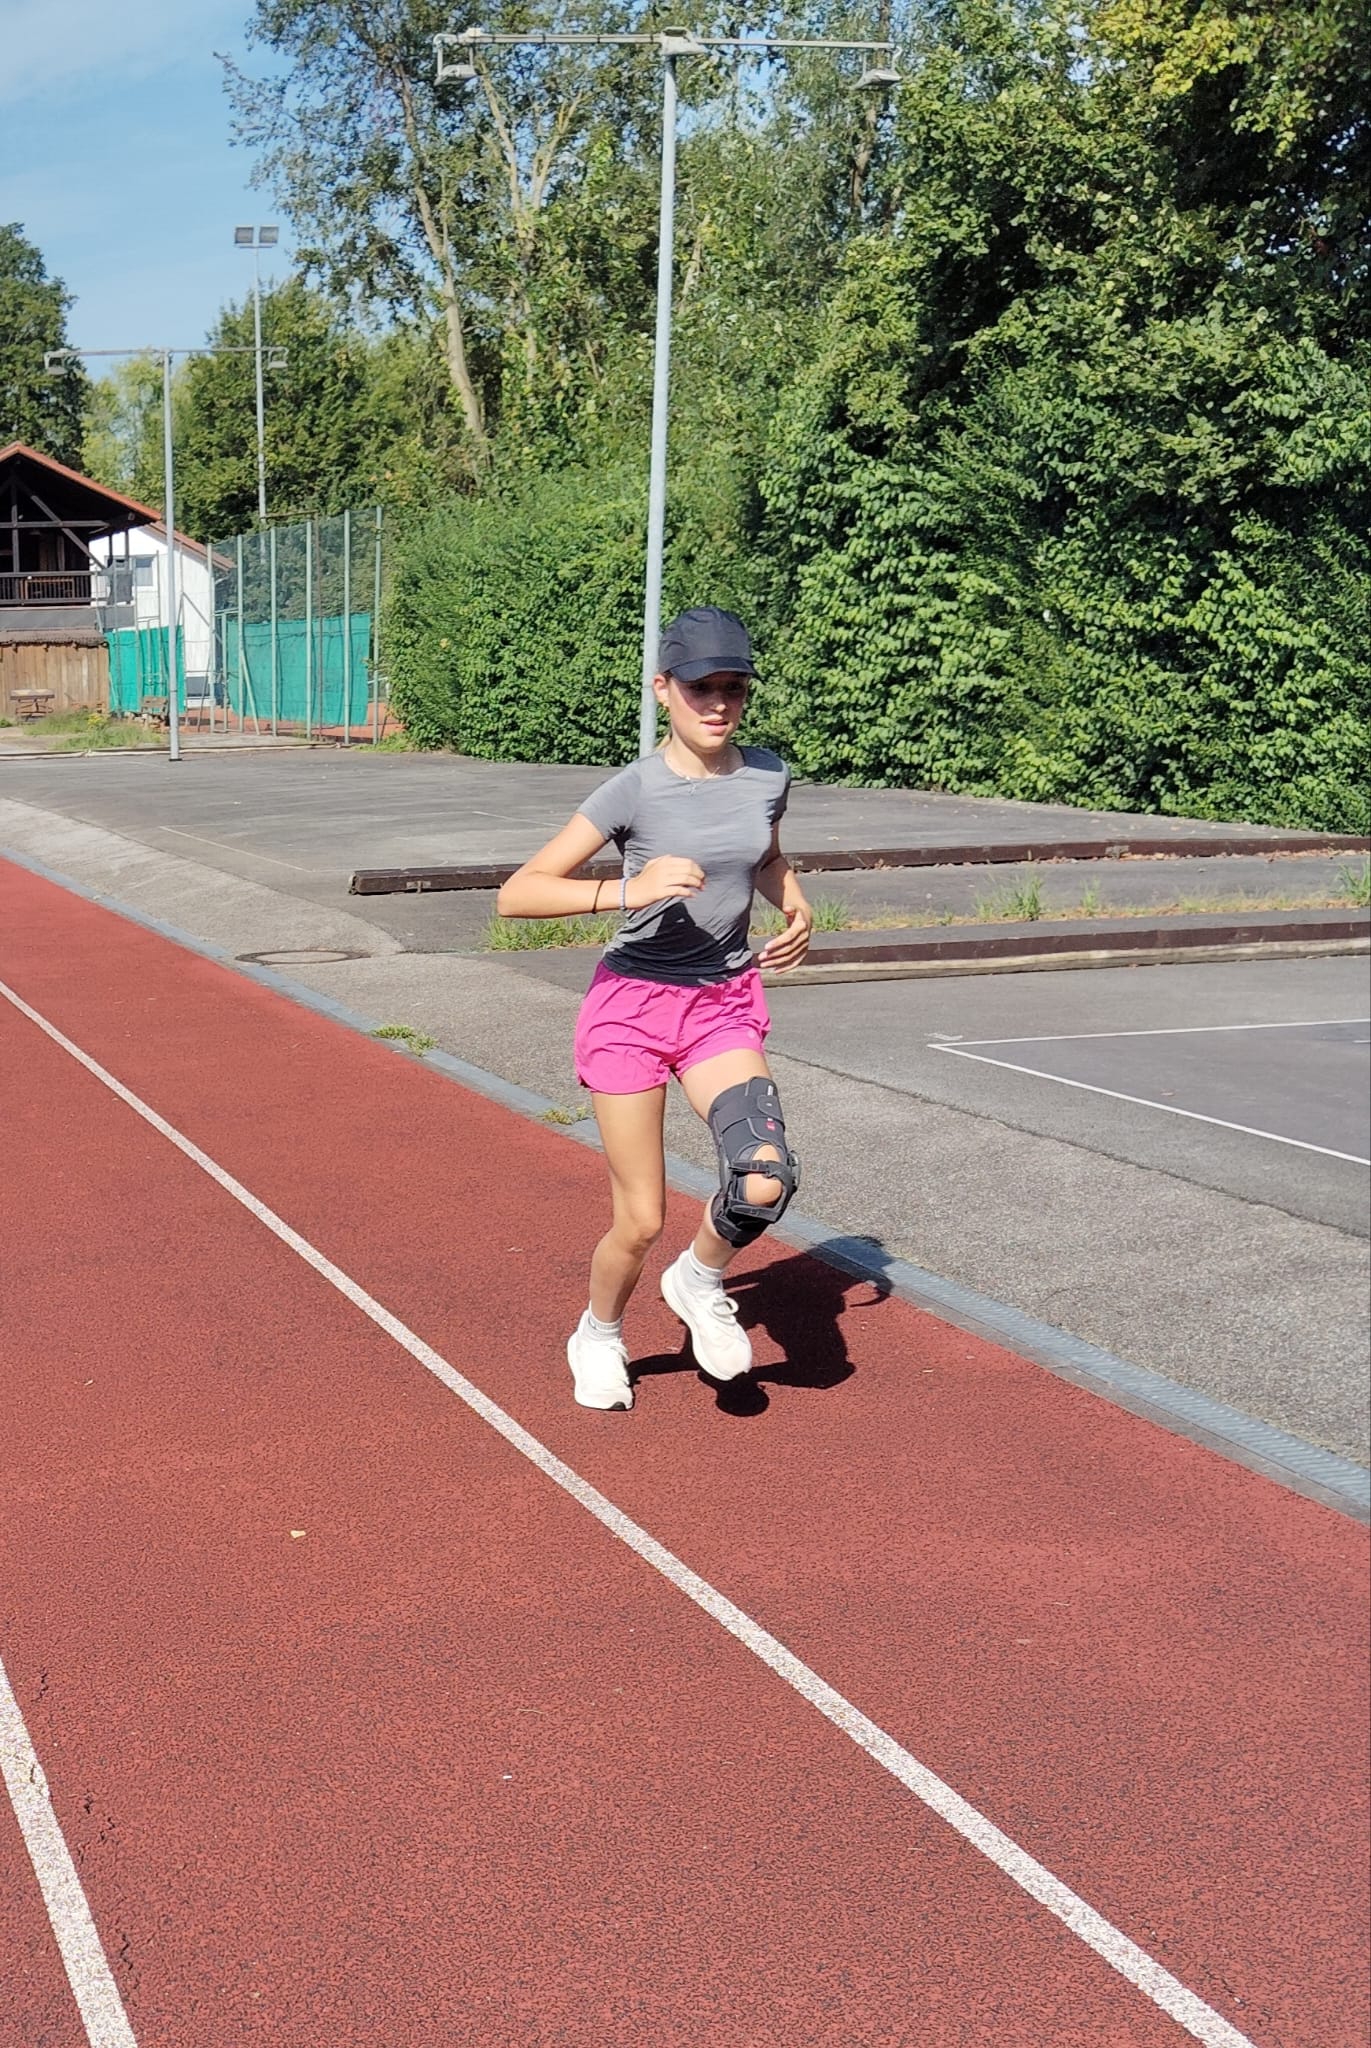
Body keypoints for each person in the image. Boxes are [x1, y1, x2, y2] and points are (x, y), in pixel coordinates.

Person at [496, 606, 814, 1410]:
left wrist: (795, 901)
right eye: (701, 687)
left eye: (733, 687)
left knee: (764, 1179)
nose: (719, 703)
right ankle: (598, 1332)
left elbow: (765, 857)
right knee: (638, 1220)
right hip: (631, 1010)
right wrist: (625, 889)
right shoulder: (633, 789)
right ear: (662, 688)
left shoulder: (767, 775)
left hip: (721, 1003)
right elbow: (518, 893)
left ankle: (699, 1276)